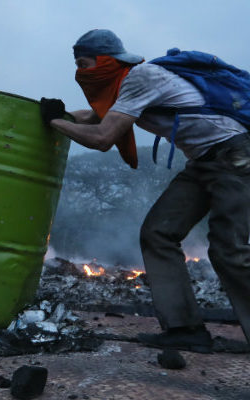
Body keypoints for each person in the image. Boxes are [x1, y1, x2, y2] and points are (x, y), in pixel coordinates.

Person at [41, 28, 250, 353]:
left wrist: (54, 123)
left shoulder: (142, 77)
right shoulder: (127, 86)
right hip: (204, 161)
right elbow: (96, 116)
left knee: (228, 249)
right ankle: (185, 329)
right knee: (158, 233)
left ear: (106, 61)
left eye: (85, 64)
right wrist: (63, 115)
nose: (82, 73)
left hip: (234, 155)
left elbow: (102, 137)